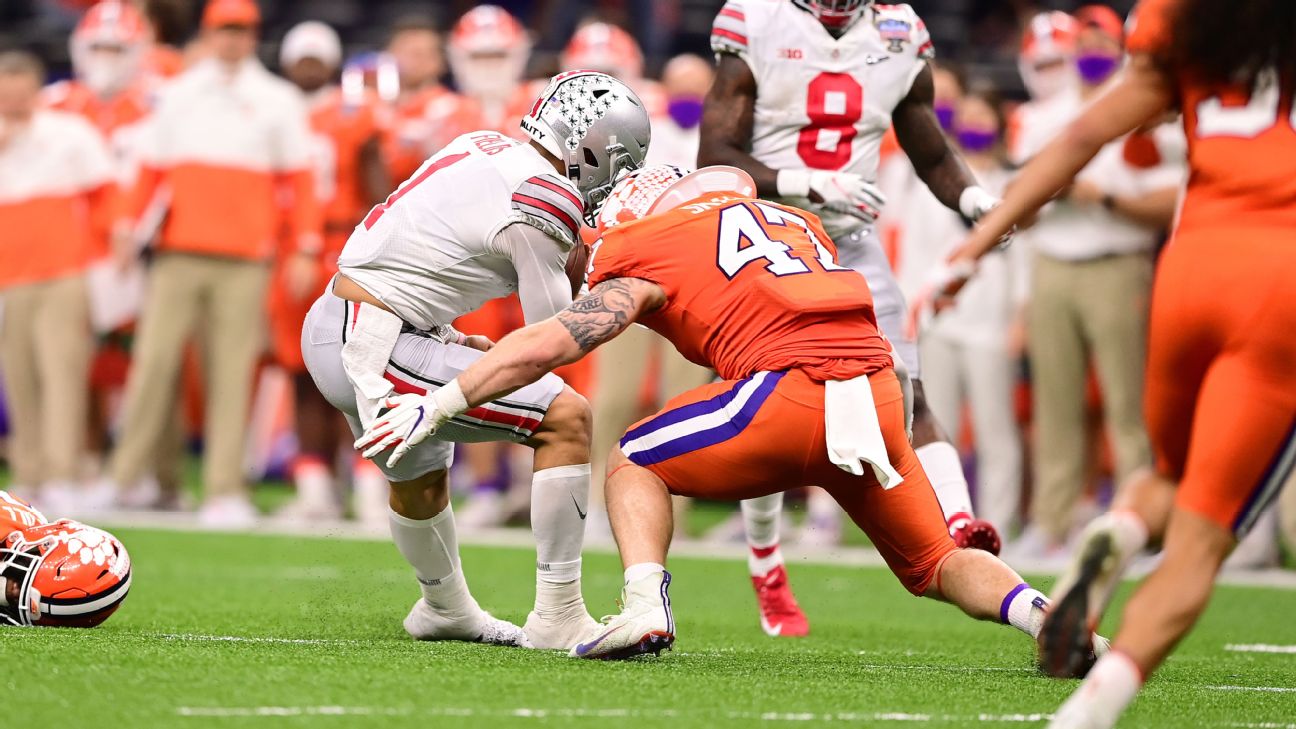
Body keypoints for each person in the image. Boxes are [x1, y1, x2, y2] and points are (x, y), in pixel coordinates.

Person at [360, 164, 1106, 663]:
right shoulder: (791, 222)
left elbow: (555, 340)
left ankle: (643, 601)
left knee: (634, 459)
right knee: (937, 559)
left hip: (790, 390)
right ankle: (1043, 614)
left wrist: (450, 396)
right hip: (878, 389)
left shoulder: (643, 240)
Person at [937, 0, 1296, 724]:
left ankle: (1124, 525)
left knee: (1165, 474)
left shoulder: (1189, 23)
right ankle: (1092, 708)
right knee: (1203, 535)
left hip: (1192, 266)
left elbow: (1080, 135)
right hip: (1282, 272)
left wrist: (971, 251)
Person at [302, 71, 651, 649]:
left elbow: (419, 250)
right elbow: (553, 336)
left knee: (419, 473)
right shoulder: (546, 197)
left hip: (346, 320)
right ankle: (559, 613)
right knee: (566, 418)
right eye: (619, 162)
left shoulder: (482, 143)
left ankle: (445, 608)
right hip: (376, 340)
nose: (615, 179)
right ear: (592, 147)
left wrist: (452, 343)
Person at [699, 0, 1002, 639]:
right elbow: (716, 154)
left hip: (853, 241)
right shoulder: (756, 19)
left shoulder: (900, 31)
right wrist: (805, 183)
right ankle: (766, 561)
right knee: (766, 403)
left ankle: (959, 527)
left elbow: (927, 142)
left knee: (906, 388)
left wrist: (974, 199)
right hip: (770, 235)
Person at [106, 0, 322, 527]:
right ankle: (126, 480)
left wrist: (306, 245)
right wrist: (125, 229)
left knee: (231, 372)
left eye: (242, 31)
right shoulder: (177, 95)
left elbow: (300, 178)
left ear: (253, 37)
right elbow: (151, 170)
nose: (233, 40)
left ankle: (225, 489)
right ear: (208, 33)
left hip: (246, 258)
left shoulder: (276, 99)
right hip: (178, 252)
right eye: (224, 30)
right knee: (154, 364)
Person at [1007, 5, 1185, 559]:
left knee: (1128, 404)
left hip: (1118, 260)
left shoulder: (1144, 109)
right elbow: (1018, 204)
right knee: (1054, 404)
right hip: (1054, 261)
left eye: (1101, 45)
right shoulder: (1042, 116)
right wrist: (1049, 190)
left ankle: (1140, 521)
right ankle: (1051, 519)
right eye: (1082, 45)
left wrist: (1103, 197)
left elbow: (1173, 199)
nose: (1090, 56)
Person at [886, 86, 1027, 535]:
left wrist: (1020, 314)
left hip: (991, 320)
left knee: (995, 428)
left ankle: (999, 522)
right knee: (932, 422)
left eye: (982, 116)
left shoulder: (1008, 183)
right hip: (936, 321)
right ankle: (934, 524)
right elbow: (911, 252)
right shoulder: (924, 183)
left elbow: (1022, 256)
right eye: (966, 116)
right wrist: (910, 312)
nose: (973, 125)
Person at [272, 20, 391, 524]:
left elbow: (379, 184)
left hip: (344, 240)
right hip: (286, 250)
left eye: (317, 56)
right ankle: (314, 483)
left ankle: (368, 482)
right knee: (299, 370)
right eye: (301, 56)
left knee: (357, 365)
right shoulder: (272, 111)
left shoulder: (355, 114)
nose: (309, 65)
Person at [0, 50, 115, 511]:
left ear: (37, 89)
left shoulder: (68, 134)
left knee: (62, 375)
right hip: (11, 278)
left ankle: (64, 473)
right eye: (7, 91)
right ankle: (29, 475)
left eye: (23, 89)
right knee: (20, 379)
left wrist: (104, 263)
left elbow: (106, 196)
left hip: (62, 274)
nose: (15, 99)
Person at [0, 489, 132, 628]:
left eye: (17, 602)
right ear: (45, 544)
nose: (10, 592)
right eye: (19, 578)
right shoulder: (7, 521)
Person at [383, 16, 479, 184]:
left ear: (440, 62)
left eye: (420, 54)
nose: (412, 61)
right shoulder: (371, 106)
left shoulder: (455, 109)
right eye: (405, 52)